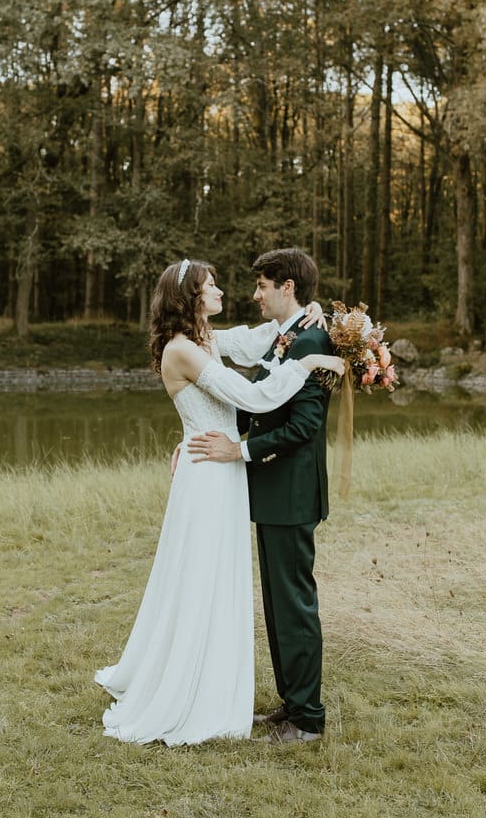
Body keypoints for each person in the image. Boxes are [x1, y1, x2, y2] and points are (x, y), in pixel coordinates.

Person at [93, 257, 343, 746]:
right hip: (212, 475)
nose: (227, 291)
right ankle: (196, 692)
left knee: (220, 580)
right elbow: (250, 395)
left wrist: (315, 312)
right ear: (192, 298)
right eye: (214, 286)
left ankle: (263, 701)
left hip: (220, 470)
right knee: (202, 582)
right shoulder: (185, 349)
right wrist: (310, 363)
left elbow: (261, 339)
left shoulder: (207, 340)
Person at [187, 248, 331, 744]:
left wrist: (240, 452)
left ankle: (308, 720)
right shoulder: (283, 337)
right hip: (272, 492)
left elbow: (304, 426)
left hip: (292, 492)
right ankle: (291, 707)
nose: (256, 295)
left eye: (263, 286)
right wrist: (205, 431)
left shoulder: (312, 339)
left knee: (294, 604)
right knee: (276, 604)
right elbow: (257, 402)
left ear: (287, 287)